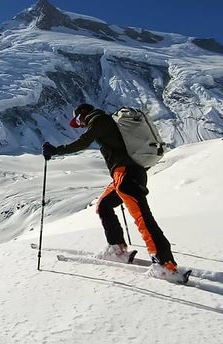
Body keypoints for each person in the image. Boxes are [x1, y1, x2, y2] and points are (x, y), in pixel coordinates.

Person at [42, 103, 179, 279]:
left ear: (84, 113)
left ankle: (165, 264)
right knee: (104, 206)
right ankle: (117, 249)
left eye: (78, 120)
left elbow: (83, 142)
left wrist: (56, 151)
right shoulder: (107, 122)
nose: (80, 124)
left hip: (126, 175)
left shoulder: (98, 120)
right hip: (126, 175)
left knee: (143, 218)